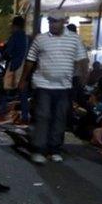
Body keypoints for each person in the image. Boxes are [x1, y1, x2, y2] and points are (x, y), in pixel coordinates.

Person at [20, 10, 89, 164]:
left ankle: (54, 149)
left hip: (64, 87)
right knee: (43, 116)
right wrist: (23, 79)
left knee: (59, 118)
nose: (53, 24)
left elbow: (82, 60)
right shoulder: (41, 39)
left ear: (64, 21)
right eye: (51, 21)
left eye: (56, 21)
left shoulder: (74, 39)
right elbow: (30, 60)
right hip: (43, 84)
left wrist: (84, 79)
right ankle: (39, 149)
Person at [0, 16, 31, 124]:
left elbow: (8, 51)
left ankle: (1, 113)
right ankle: (24, 116)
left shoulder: (15, 36)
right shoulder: (25, 36)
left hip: (14, 66)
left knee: (4, 90)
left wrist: (3, 55)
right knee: (22, 92)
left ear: (14, 25)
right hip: (23, 65)